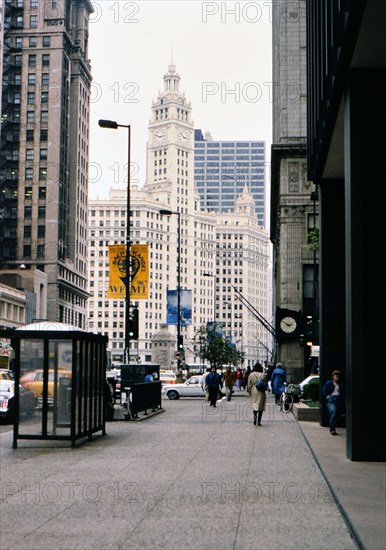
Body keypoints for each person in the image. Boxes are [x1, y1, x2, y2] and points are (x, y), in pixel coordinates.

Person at [322, 370, 345, 435]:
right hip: (331, 399)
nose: (337, 378)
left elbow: (343, 393)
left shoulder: (341, 384)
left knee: (336, 414)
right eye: (336, 376)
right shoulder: (329, 383)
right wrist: (328, 397)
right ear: (333, 377)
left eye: (338, 377)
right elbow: (324, 392)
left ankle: (332, 427)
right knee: (333, 411)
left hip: (338, 399)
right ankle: (332, 430)